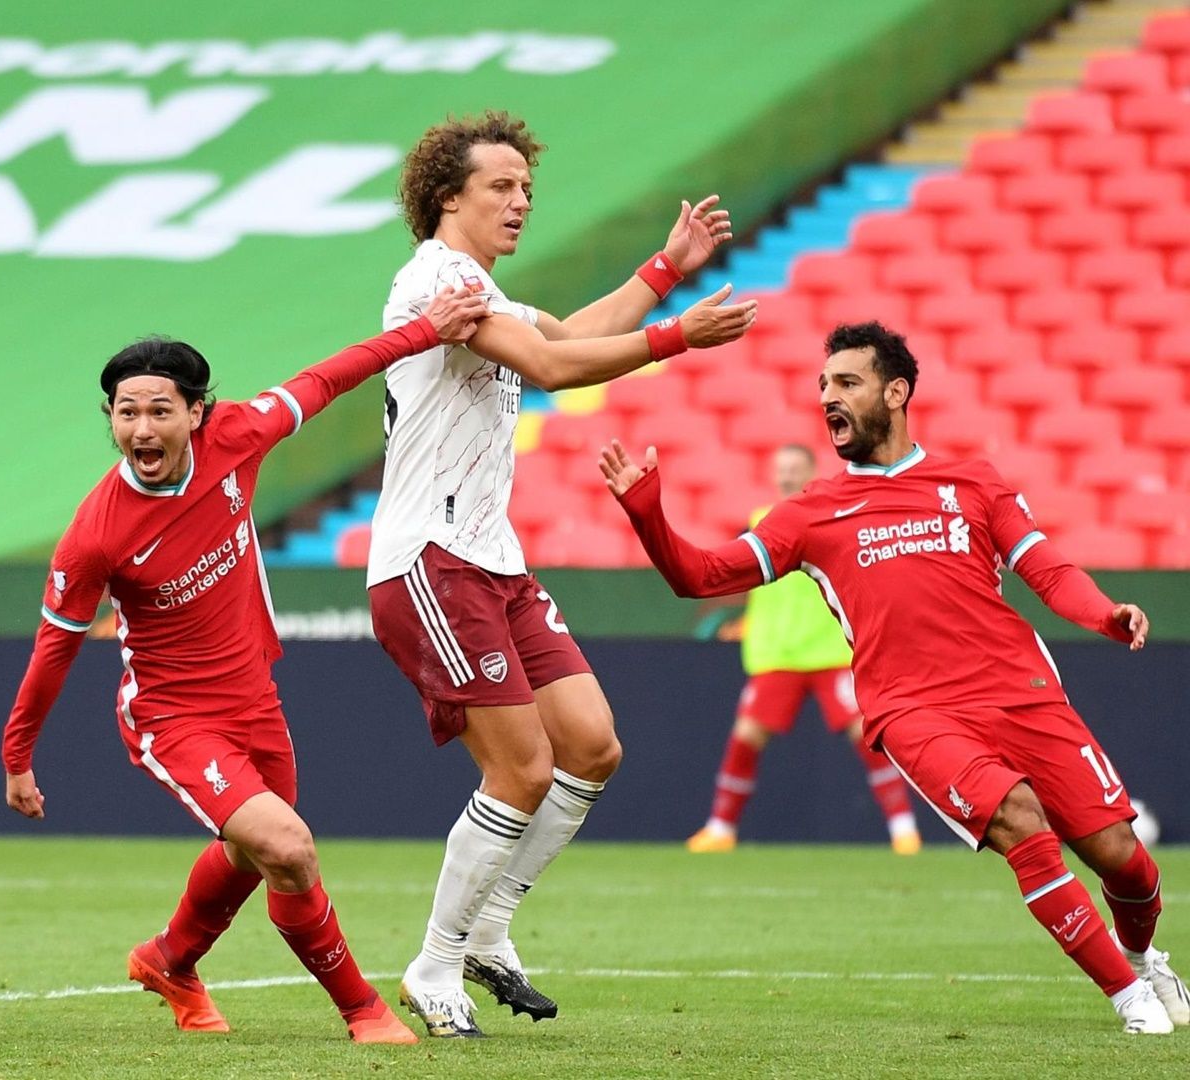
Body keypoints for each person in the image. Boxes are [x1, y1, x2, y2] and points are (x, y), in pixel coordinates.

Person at [601, 321, 1189, 1035]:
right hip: (913, 710)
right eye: (823, 386)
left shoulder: (972, 481)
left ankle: (1146, 958)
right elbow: (700, 576)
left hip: (1021, 690)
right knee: (1020, 822)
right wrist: (647, 516)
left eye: (846, 382)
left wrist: (1103, 614)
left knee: (1121, 858)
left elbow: (1046, 567)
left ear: (897, 391)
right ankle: (1130, 1000)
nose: (828, 398)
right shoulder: (811, 513)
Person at [0, 287, 491, 1044]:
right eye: (125, 412)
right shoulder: (95, 535)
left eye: (159, 409)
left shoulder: (239, 435)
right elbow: (54, 647)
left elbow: (331, 375)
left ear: (196, 413)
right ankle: (364, 1010)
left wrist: (426, 332)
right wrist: (18, 755)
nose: (141, 427)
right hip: (173, 716)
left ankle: (170, 960)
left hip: (255, 697)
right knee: (288, 848)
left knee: (253, 853)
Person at [365, 109, 757, 1037]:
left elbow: (568, 336)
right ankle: (436, 960)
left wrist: (663, 274)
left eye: (527, 189)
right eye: (501, 187)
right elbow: (549, 366)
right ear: (444, 197)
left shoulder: (484, 292)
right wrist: (675, 338)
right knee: (523, 768)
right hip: (432, 559)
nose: (520, 202)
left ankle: (490, 928)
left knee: (589, 746)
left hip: (492, 560)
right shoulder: (436, 278)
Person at [686, 443, 920, 855]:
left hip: (830, 650)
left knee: (868, 736)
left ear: (812, 471)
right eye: (781, 469)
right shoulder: (761, 522)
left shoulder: (833, 517)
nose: (787, 476)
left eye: (795, 468)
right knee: (745, 738)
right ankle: (720, 828)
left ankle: (904, 831)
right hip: (777, 653)